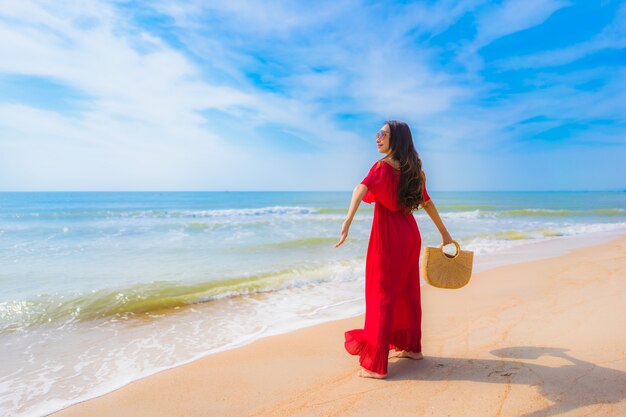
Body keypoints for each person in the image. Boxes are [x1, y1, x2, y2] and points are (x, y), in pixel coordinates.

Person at [335, 120, 453, 379]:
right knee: (407, 291)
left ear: (395, 139)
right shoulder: (415, 170)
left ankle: (376, 365)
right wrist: (445, 234)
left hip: (388, 237)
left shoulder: (382, 167)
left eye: (382, 134)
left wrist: (347, 221)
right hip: (410, 236)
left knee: (382, 293)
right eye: (377, 133)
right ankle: (412, 347)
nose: (377, 138)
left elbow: (360, 188)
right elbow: (427, 202)